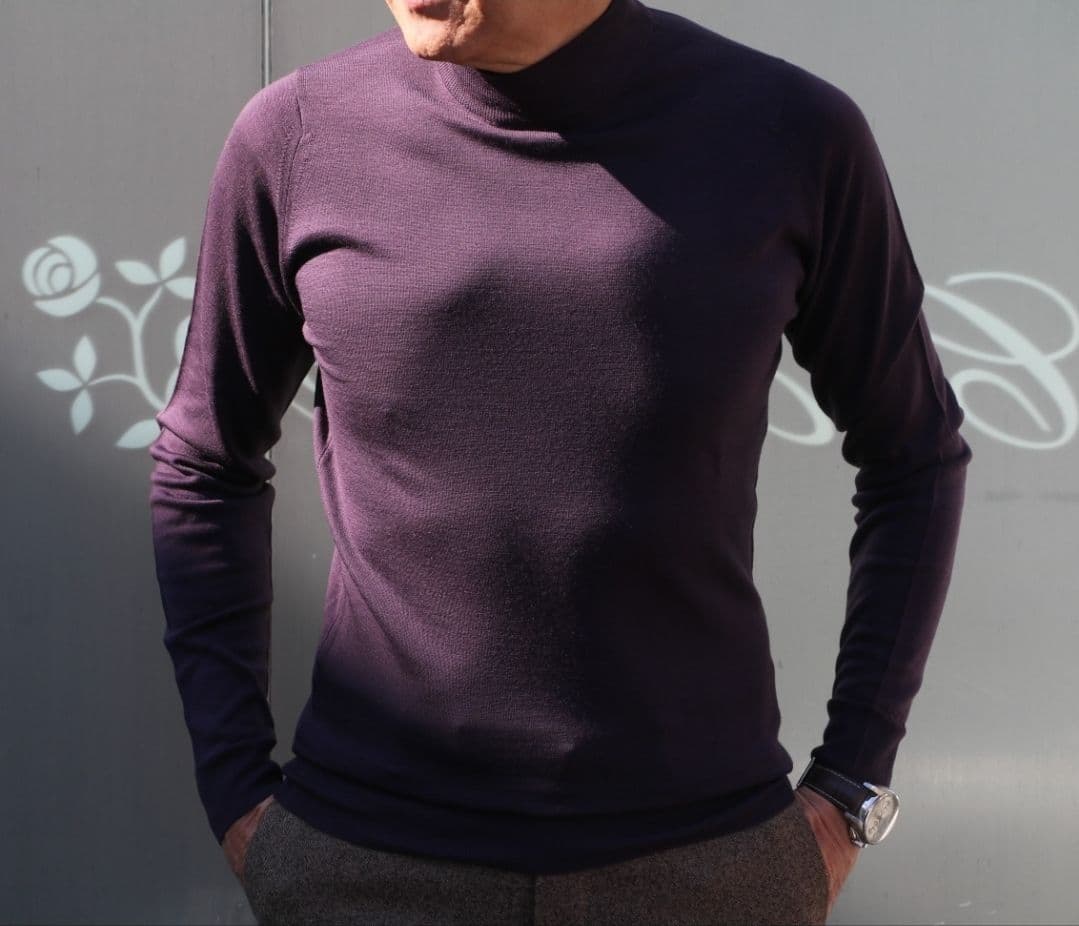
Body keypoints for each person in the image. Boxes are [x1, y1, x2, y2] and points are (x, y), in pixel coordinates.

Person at [148, 0, 972, 922]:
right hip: (361, 864)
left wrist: (850, 785)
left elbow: (914, 456)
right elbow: (204, 463)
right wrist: (237, 794)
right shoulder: (298, 134)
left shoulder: (790, 132)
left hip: (708, 865)